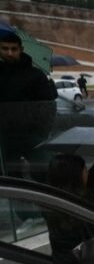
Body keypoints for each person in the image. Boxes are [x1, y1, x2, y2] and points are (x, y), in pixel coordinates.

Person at [0, 22, 56, 182]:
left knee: (43, 176)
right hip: (5, 137)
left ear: (21, 50)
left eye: (13, 49)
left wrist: (41, 132)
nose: (9, 53)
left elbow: (47, 107)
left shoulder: (36, 75)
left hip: (32, 135)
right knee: (11, 181)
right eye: (5, 49)